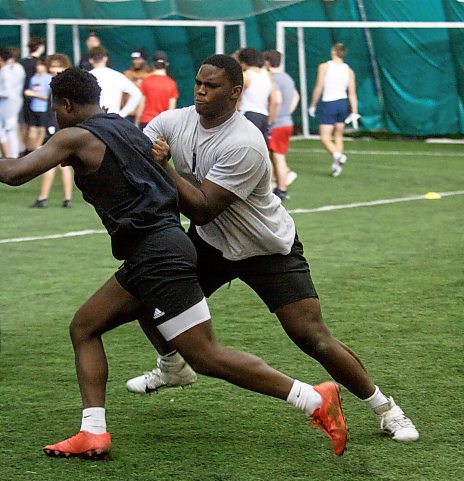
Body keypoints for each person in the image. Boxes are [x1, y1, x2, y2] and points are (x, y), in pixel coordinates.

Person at [0, 67, 347, 459]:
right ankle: (93, 431)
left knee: (206, 354)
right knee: (85, 326)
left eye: (55, 109)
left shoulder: (74, 135)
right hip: (158, 246)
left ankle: (314, 398)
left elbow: (14, 173)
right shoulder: (125, 127)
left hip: (158, 256)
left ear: (64, 104)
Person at [129, 54, 419, 444]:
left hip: (266, 247)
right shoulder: (171, 122)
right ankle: (172, 365)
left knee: (312, 336)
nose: (200, 90)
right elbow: (135, 158)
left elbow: (201, 205)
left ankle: (386, 409)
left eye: (211, 85)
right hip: (211, 241)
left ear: (235, 92)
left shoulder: (245, 142)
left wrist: (165, 167)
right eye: (198, 82)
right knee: (148, 295)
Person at [308, 42, 360, 177]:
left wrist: (313, 104)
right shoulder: (349, 71)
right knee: (338, 135)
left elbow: (319, 86)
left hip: (329, 103)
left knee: (325, 138)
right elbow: (352, 93)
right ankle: (337, 166)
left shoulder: (324, 67)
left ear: (333, 51)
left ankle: (338, 156)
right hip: (342, 104)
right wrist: (354, 111)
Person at [30, 53, 73, 208]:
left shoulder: (61, 86)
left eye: (58, 65)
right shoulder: (55, 85)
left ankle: (47, 198)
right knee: (58, 163)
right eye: (52, 65)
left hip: (57, 126)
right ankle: (60, 198)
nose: (54, 68)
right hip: (54, 124)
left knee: (54, 162)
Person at [263, 49, 299, 201]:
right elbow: (296, 96)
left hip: (277, 124)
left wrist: (272, 118)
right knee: (274, 155)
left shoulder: (273, 79)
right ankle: (276, 185)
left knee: (277, 157)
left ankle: (281, 189)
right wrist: (287, 112)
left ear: (268, 62)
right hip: (286, 122)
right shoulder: (287, 78)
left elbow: (276, 99)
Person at [236, 47, 277, 144]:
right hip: (263, 117)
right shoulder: (267, 75)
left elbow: (236, 99)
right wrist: (270, 122)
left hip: (247, 115)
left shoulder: (245, 76)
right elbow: (275, 100)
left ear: (243, 62)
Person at [89, 46, 141, 118]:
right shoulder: (117, 76)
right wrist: (122, 114)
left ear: (90, 60)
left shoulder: (87, 77)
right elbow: (137, 94)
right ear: (105, 58)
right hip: (113, 119)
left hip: (92, 120)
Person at [135, 50, 178, 130]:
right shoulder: (172, 84)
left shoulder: (146, 81)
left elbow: (141, 104)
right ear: (166, 64)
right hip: (162, 124)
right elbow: (171, 109)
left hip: (146, 122)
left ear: (153, 64)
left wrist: (136, 123)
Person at [19, 36, 45, 155]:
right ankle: (32, 151)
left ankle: (23, 149)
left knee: (25, 125)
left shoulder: (21, 63)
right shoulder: (39, 64)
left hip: (21, 97)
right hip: (37, 99)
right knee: (37, 127)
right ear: (41, 47)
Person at [0, 47, 25, 159]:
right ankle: (12, 155)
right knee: (10, 129)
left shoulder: (6, 70)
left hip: (9, 102)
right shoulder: (18, 67)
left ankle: (12, 156)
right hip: (14, 101)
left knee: (9, 129)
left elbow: (8, 91)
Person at [24, 58, 52, 153]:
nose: (38, 67)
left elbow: (45, 97)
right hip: (33, 107)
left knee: (41, 130)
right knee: (31, 132)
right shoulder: (34, 78)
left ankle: (37, 152)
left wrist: (32, 94)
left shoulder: (48, 78)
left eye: (41, 65)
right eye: (37, 65)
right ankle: (30, 151)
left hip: (43, 109)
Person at [123, 48, 152, 124]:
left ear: (144, 60)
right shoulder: (127, 74)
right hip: (129, 115)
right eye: (134, 59)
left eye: (138, 59)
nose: (135, 61)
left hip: (144, 116)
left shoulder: (151, 76)